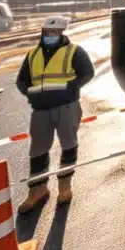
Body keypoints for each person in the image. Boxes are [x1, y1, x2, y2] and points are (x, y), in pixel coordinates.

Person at [15, 15, 96, 213]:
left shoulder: (74, 51)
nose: (50, 35)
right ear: (42, 32)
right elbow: (21, 80)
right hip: (40, 109)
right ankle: (38, 190)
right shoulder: (32, 54)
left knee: (69, 146)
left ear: (61, 33)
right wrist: (30, 94)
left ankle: (64, 187)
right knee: (38, 151)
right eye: (47, 32)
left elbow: (88, 72)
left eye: (54, 32)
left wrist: (71, 88)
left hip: (66, 106)